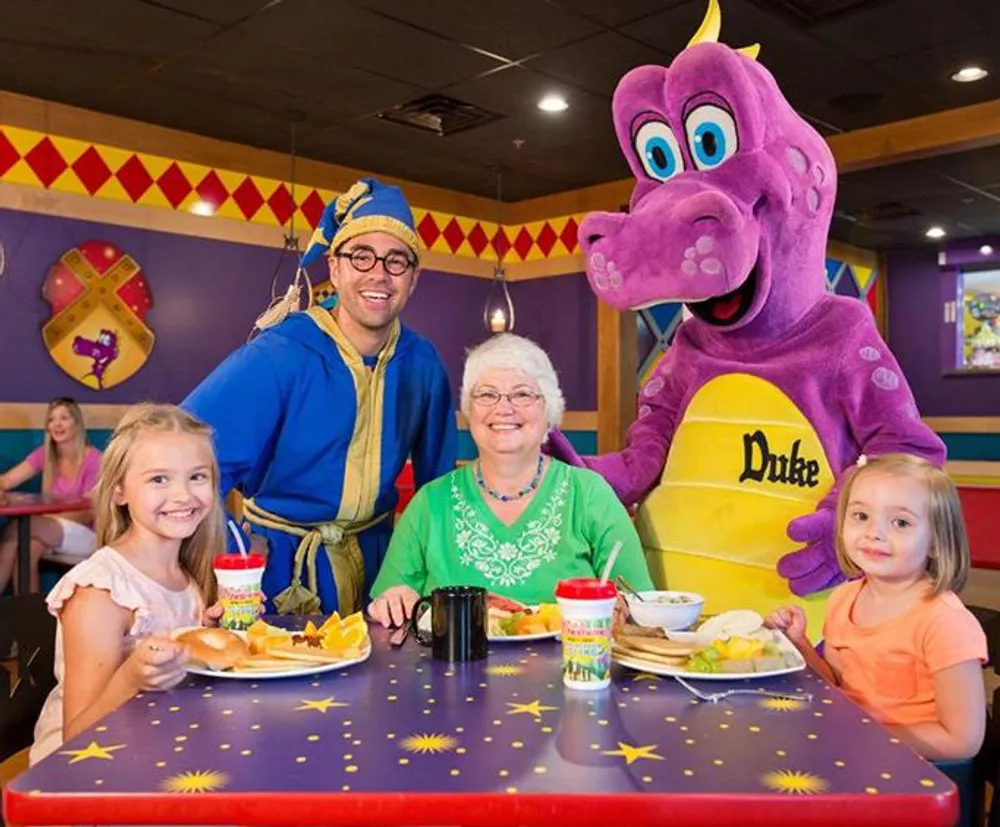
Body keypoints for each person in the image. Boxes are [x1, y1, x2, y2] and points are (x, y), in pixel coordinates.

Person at [183, 177, 457, 618]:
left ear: (414, 277)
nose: (378, 274)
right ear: (334, 267)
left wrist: (426, 578)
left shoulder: (423, 363)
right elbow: (184, 455)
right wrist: (232, 552)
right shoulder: (281, 353)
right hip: (279, 575)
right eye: (361, 256)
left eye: (396, 261)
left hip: (383, 578)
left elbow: (439, 490)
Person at [368, 334, 653, 628]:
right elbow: (389, 606)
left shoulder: (590, 494)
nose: (504, 408)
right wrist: (392, 600)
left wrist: (623, 611)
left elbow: (641, 607)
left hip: (571, 670)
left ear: (549, 411)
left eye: (522, 394)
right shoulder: (430, 503)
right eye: (487, 394)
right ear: (469, 410)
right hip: (450, 671)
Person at [29, 404, 224, 765]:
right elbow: (76, 736)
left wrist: (210, 636)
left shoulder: (187, 576)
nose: (183, 495)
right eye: (159, 479)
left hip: (160, 745)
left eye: (197, 476)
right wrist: (132, 677)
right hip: (84, 772)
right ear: (119, 490)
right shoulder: (100, 590)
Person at [767, 453, 986, 761]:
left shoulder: (945, 623)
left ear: (937, 542)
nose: (874, 533)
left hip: (909, 774)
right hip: (847, 752)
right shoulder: (844, 598)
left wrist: (862, 733)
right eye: (860, 516)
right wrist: (798, 643)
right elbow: (836, 687)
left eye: (900, 522)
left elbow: (962, 740)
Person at [0, 398, 102, 593]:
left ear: (77, 424)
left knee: (18, 528)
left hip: (88, 534)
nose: (57, 424)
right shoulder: (44, 454)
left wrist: (45, 522)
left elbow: (89, 513)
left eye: (64, 418)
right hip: (52, 530)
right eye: (51, 419)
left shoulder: (94, 459)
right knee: (27, 549)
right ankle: (31, 618)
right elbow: (7, 480)